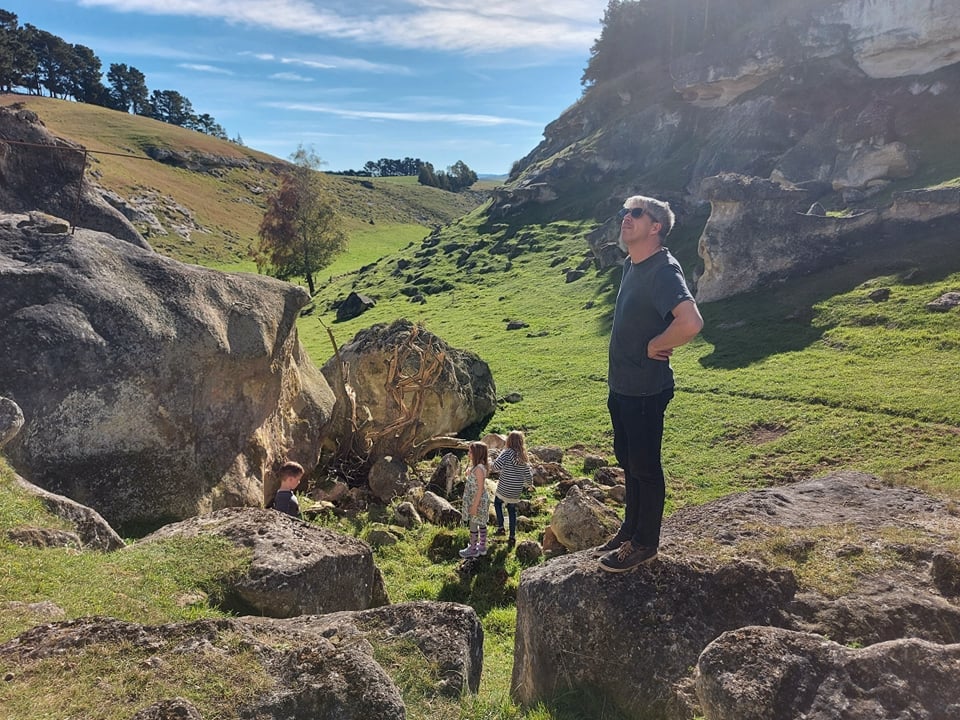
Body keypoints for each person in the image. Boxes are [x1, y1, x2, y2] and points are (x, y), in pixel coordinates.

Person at [596, 195, 704, 573]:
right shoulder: (632, 263)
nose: (626, 217)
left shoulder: (663, 270)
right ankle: (630, 530)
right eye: (625, 212)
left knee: (645, 467)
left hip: (644, 389)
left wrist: (659, 343)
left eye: (636, 213)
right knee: (628, 462)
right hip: (623, 386)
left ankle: (646, 543)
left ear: (655, 226)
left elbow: (690, 322)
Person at [491, 430, 533, 545]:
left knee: (498, 503)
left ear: (509, 441)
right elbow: (528, 474)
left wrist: (490, 462)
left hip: (504, 487)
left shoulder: (506, 453)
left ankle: (501, 527)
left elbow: (496, 466)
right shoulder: (524, 457)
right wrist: (530, 485)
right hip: (515, 490)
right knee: (512, 510)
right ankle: (512, 536)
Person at [459, 441, 491, 558]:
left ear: (477, 454)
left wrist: (474, 505)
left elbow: (480, 489)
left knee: (473, 524)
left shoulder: (478, 469)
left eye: (470, 452)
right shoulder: (479, 467)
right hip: (479, 500)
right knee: (481, 522)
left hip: (477, 501)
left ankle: (473, 548)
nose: (468, 454)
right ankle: (482, 546)